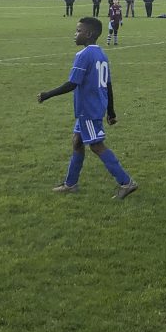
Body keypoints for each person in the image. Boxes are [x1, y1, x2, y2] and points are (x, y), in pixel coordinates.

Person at [36, 17, 138, 199]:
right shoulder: (101, 54)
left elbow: (72, 84)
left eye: (78, 31)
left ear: (89, 34)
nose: (75, 34)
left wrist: (47, 95)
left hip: (89, 109)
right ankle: (70, 184)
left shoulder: (83, 56)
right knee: (77, 142)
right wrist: (111, 111)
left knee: (96, 146)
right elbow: (108, 85)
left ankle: (126, 182)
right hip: (94, 107)